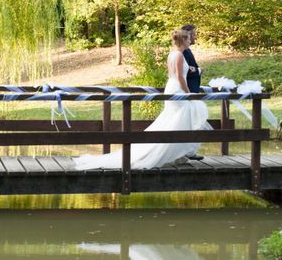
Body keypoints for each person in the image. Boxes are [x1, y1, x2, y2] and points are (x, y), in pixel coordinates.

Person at [74, 30, 212, 170]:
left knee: (175, 120)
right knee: (180, 119)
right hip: (178, 88)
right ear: (183, 40)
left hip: (173, 86)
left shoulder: (172, 54)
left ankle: (178, 154)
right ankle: (174, 152)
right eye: (189, 38)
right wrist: (188, 93)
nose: (191, 40)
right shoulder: (179, 56)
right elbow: (180, 77)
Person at [181, 24, 204, 161]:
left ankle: (188, 151)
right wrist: (199, 70)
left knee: (189, 122)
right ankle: (184, 152)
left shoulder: (187, 51)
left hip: (190, 90)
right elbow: (184, 72)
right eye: (193, 34)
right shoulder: (182, 53)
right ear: (187, 36)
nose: (195, 37)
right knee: (185, 122)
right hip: (186, 91)